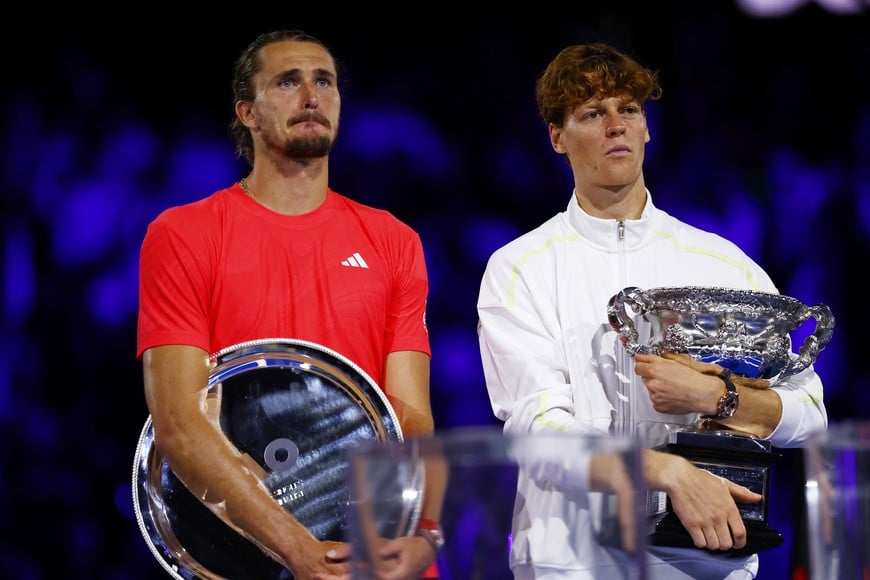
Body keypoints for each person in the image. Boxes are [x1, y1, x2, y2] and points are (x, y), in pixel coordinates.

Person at [476, 42, 828, 579]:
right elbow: (539, 429)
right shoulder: (519, 267)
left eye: (629, 109)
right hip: (571, 562)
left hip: (707, 561)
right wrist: (665, 471)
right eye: (593, 113)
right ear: (557, 137)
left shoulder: (721, 263)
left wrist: (718, 396)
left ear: (647, 129)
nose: (615, 125)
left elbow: (809, 415)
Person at [137, 29, 443, 580]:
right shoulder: (184, 234)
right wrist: (296, 548)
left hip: (375, 554)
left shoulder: (395, 240)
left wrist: (425, 533)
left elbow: (410, 416)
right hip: (249, 554)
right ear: (247, 113)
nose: (312, 96)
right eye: (288, 82)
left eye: (324, 81)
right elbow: (178, 423)